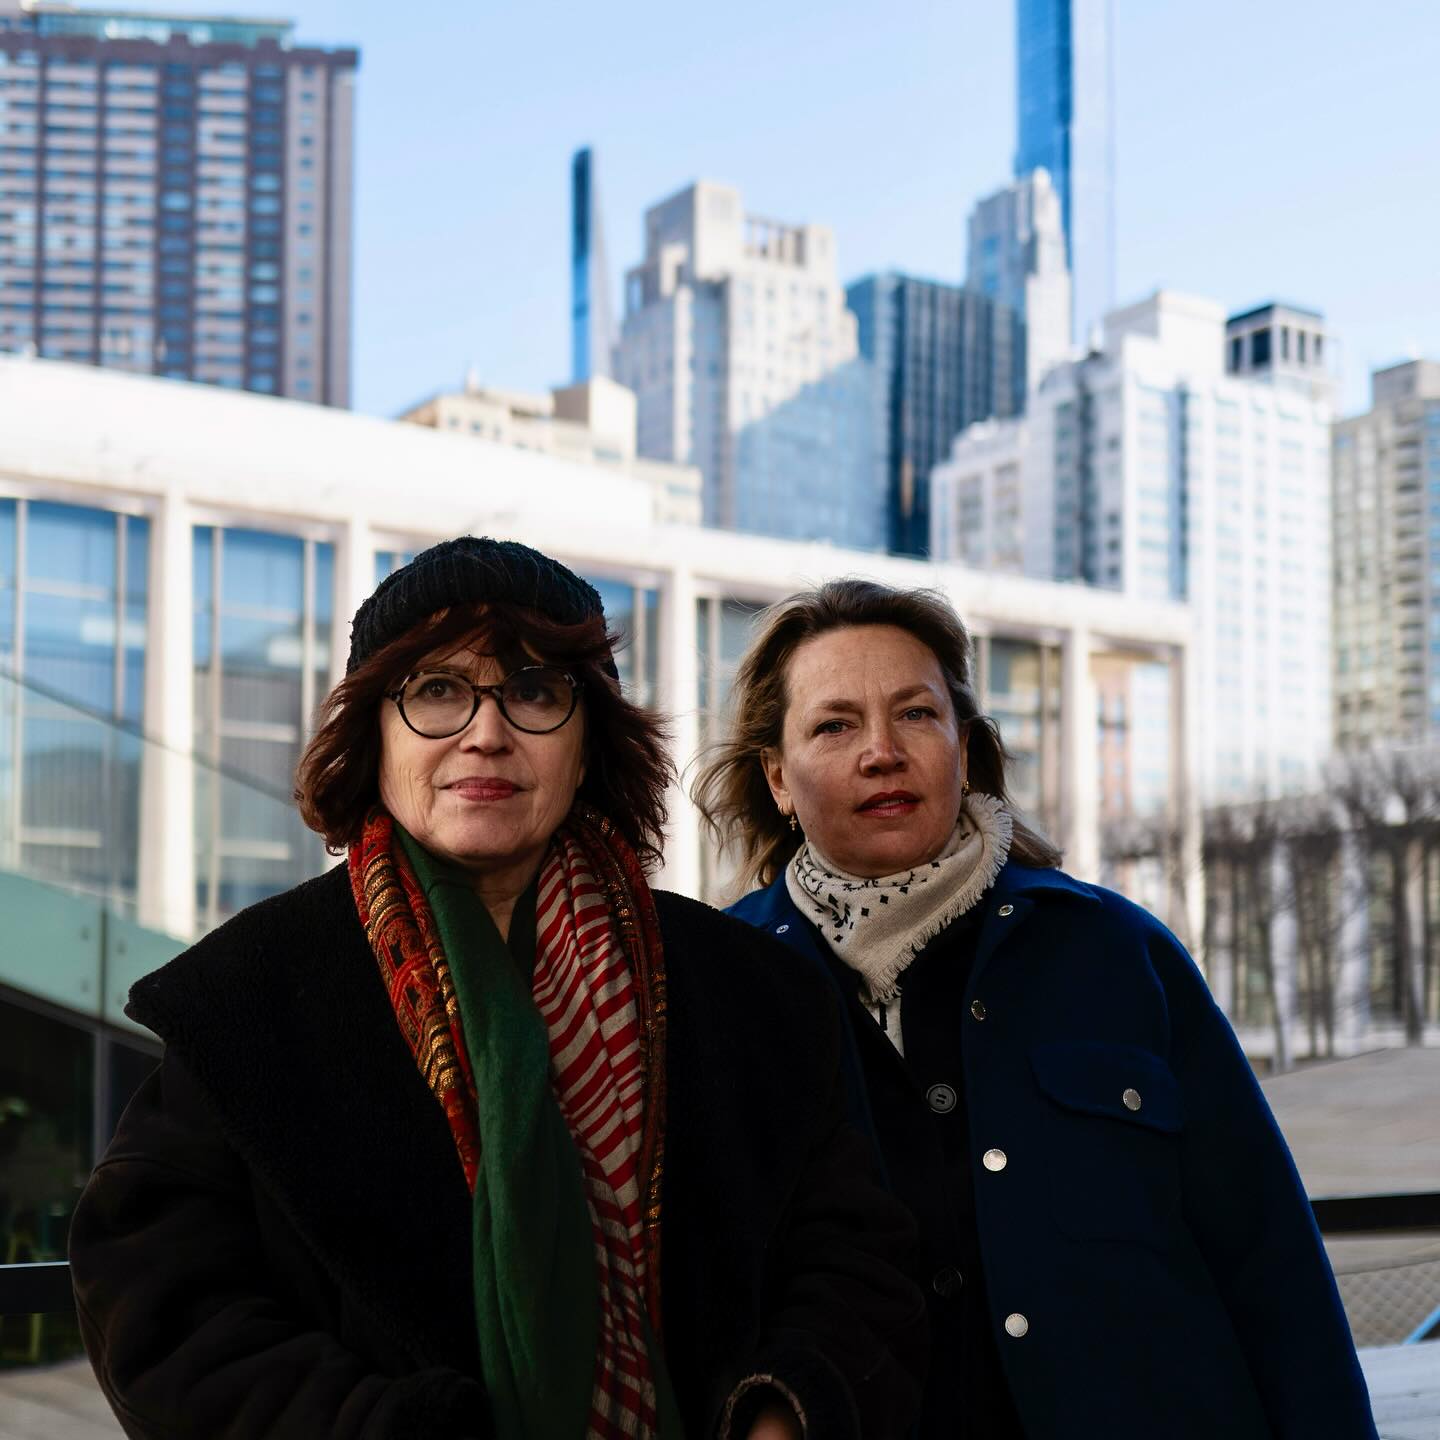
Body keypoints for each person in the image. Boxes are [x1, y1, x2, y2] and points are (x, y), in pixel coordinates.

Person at [69, 540, 928, 1440]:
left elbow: (856, 1259)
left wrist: (782, 1414)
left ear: (589, 737)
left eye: (534, 692)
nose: (487, 731)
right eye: (436, 690)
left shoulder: (753, 991)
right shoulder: (242, 998)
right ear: (374, 734)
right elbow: (159, 1302)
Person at [694, 577, 1378, 1440]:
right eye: (835, 725)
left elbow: (1271, 1266)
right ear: (777, 778)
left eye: (915, 714)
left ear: (966, 749)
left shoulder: (1117, 952)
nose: (881, 752)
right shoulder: (722, 987)